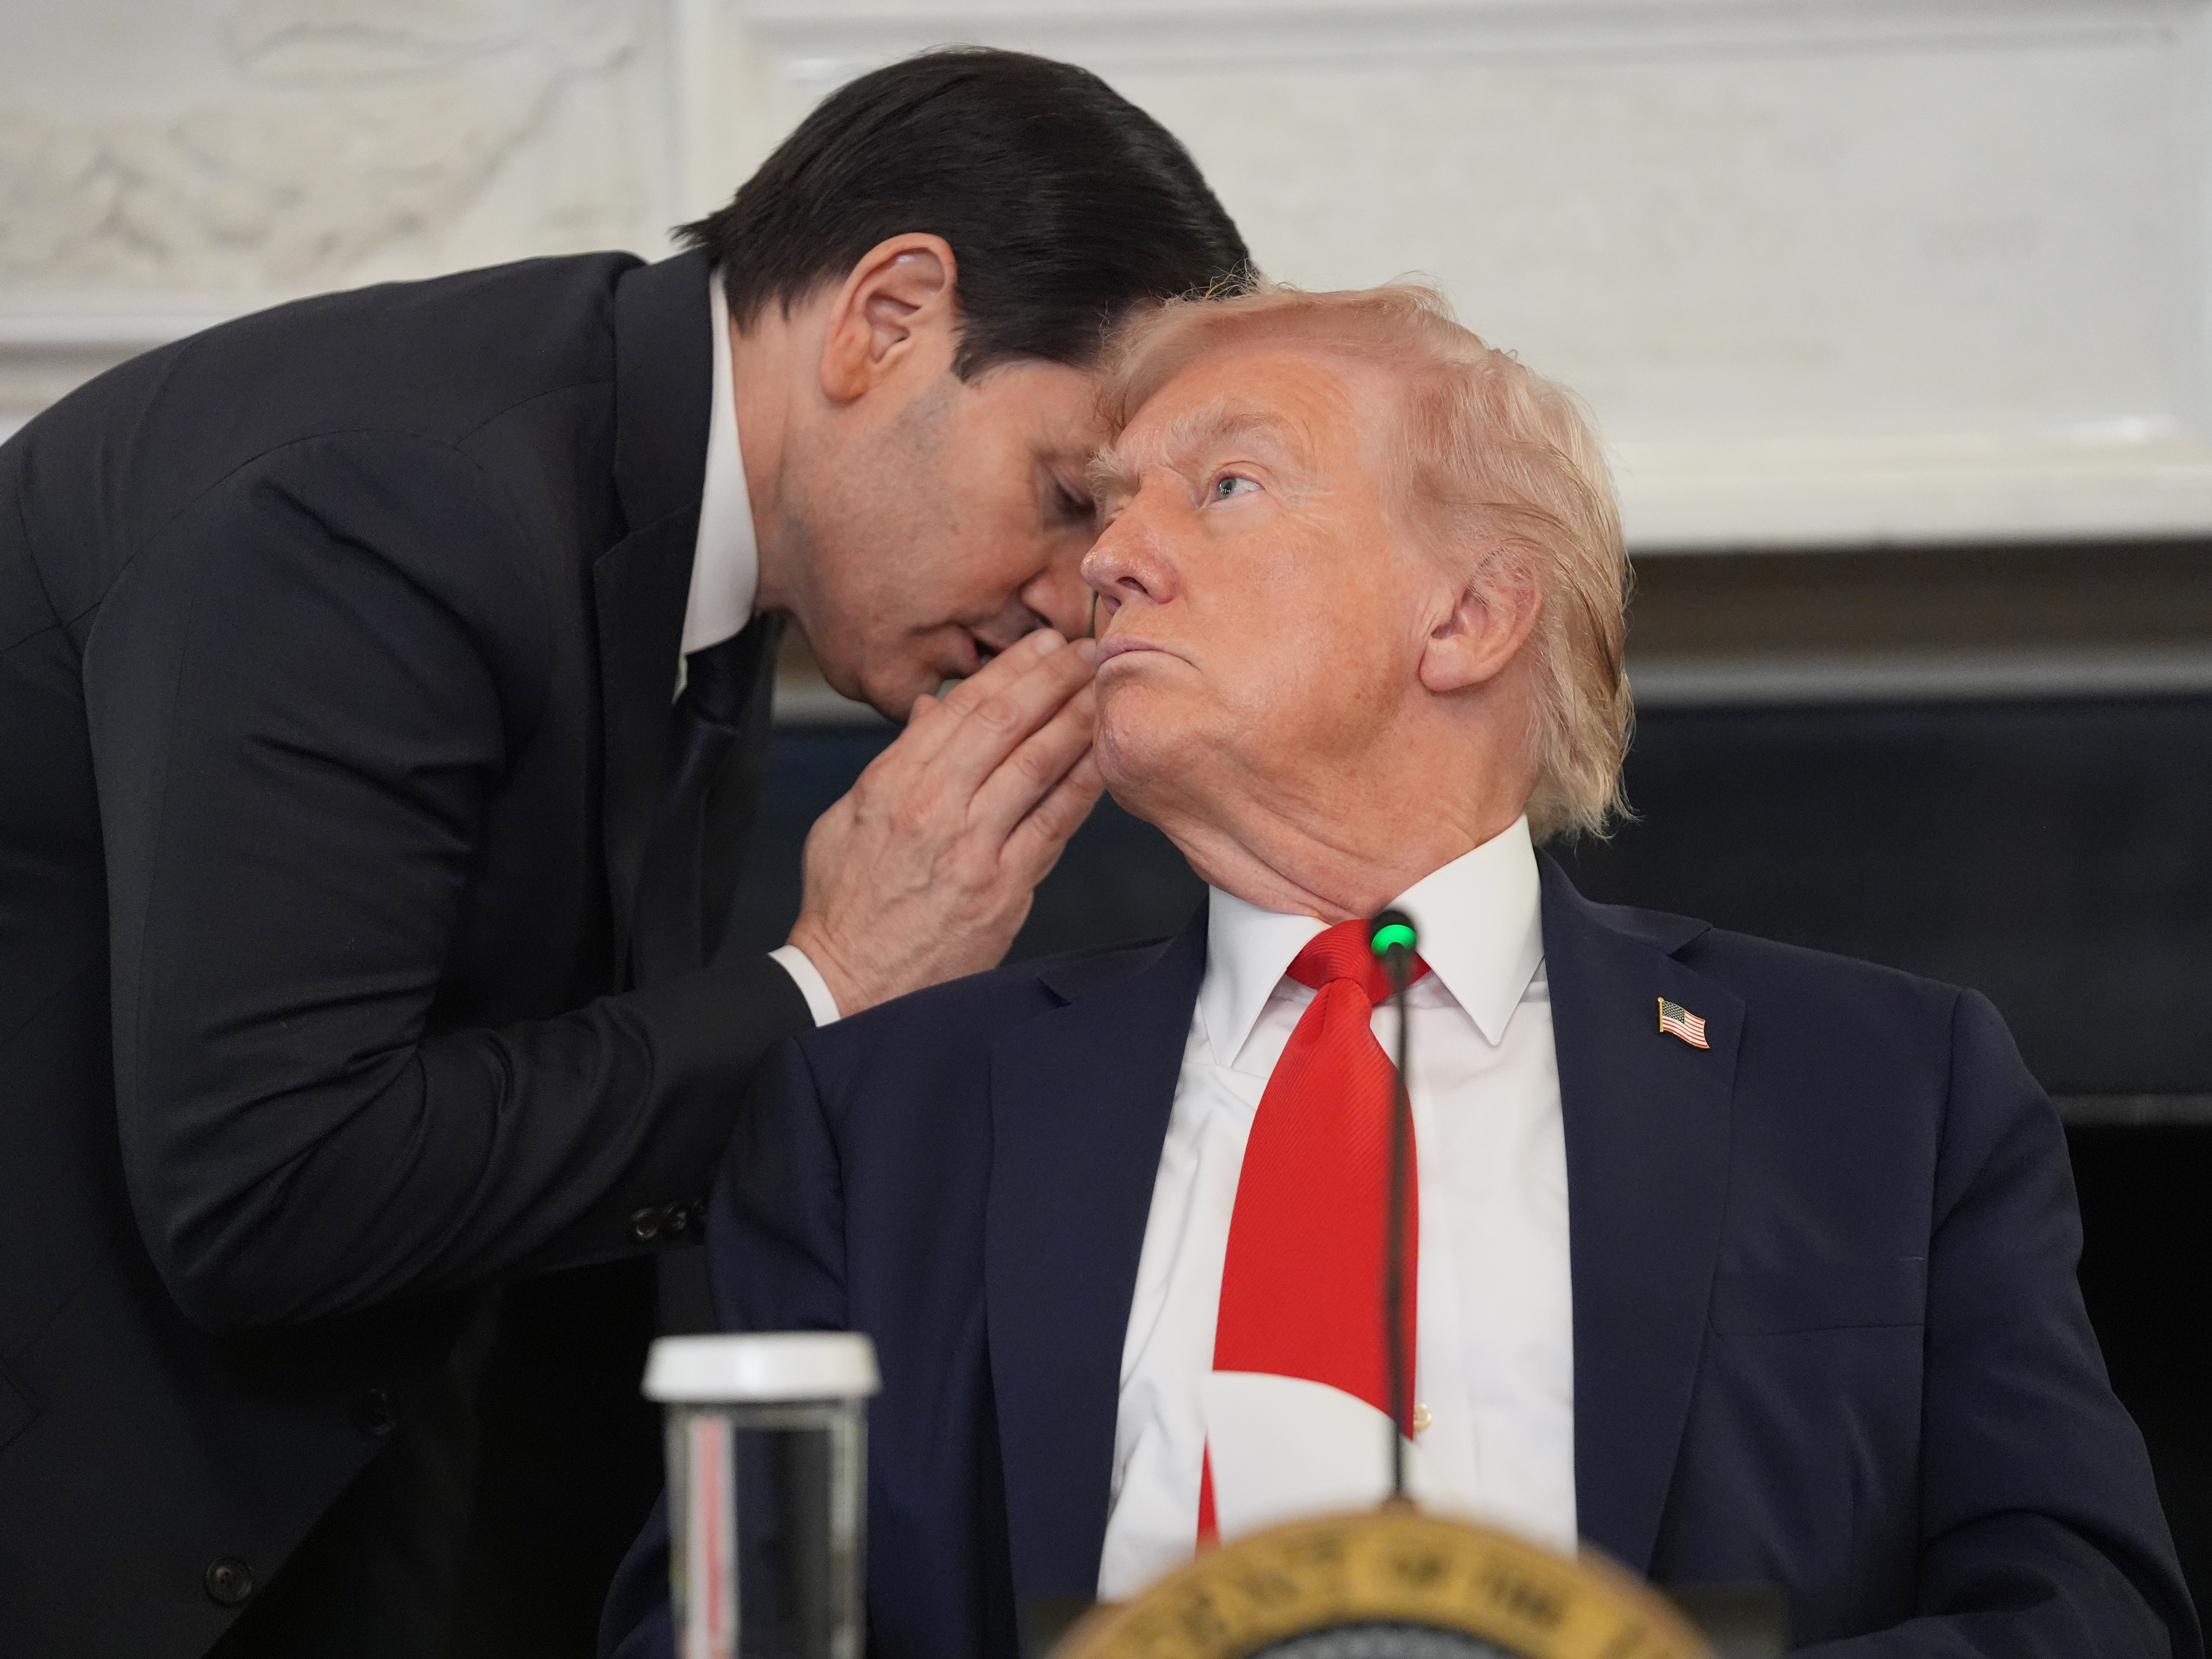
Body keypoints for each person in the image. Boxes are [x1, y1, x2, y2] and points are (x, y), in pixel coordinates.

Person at [603, 285, 2200, 1659]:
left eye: (1221, 488)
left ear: (1472, 613)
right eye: (1104, 508)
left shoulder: (1880, 1087)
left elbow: (2084, 1615)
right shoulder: (883, 1109)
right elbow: (712, 1626)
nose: (1107, 566)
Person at [0, 48, 1248, 1659]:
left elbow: (532, 1115)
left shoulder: (696, 519)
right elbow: (274, 1188)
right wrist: (830, 981)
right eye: (1067, 495)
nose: (1076, 593)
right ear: (888, 314)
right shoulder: (383, 505)